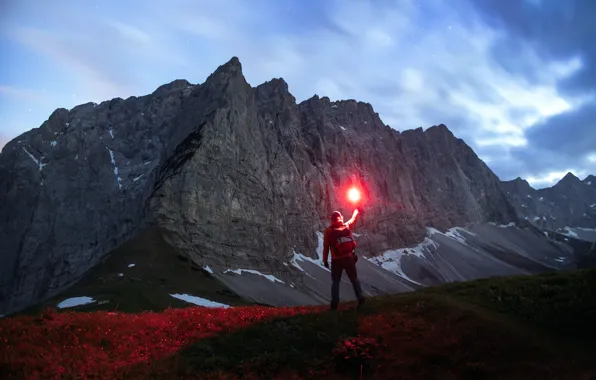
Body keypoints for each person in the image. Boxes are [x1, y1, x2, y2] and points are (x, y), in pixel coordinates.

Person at [323, 208, 366, 311]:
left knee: (336, 281)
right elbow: (353, 220)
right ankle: (361, 299)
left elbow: (326, 247)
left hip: (336, 260)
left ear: (332, 220)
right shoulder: (345, 226)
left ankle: (334, 305)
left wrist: (325, 260)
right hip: (349, 258)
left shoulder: (329, 231)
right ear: (340, 218)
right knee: (354, 279)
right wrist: (356, 211)